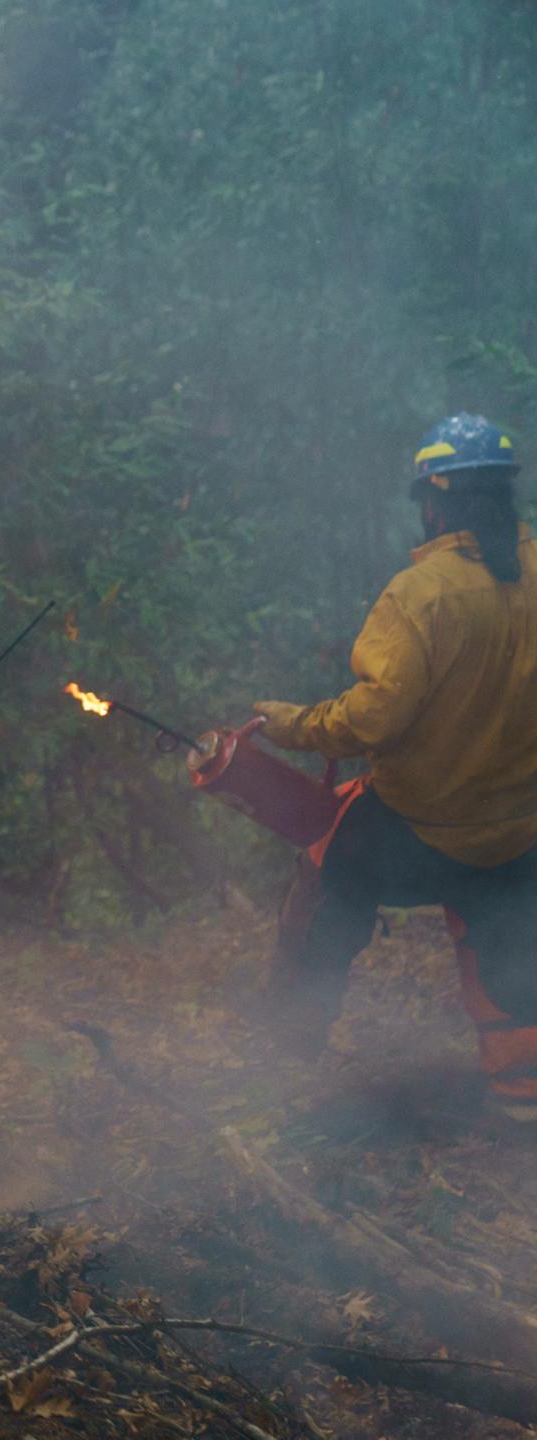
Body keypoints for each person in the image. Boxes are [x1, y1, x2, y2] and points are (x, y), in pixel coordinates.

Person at [254, 412, 537, 1125]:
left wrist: (293, 724)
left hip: (420, 834)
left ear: (434, 501)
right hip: (518, 838)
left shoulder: (420, 595)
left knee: (326, 861)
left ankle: (286, 1050)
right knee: (508, 924)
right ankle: (522, 1088)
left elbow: (372, 718)